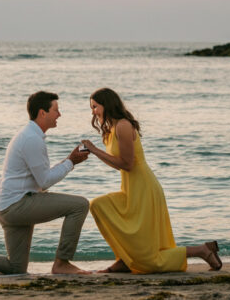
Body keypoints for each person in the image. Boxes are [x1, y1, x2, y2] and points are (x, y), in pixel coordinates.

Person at [0, 91, 91, 276]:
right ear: (42, 113)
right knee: (80, 205)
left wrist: (69, 160)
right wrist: (71, 162)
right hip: (17, 205)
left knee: (16, 268)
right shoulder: (31, 139)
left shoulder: (30, 135)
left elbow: (41, 175)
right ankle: (62, 263)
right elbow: (44, 182)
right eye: (56, 110)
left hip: (6, 206)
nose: (59, 115)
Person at [81, 87, 222, 274]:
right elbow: (119, 165)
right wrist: (93, 152)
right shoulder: (113, 128)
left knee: (149, 262)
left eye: (95, 107)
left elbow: (128, 164)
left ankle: (202, 250)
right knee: (98, 205)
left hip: (144, 189)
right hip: (131, 188)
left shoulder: (123, 125)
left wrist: (94, 149)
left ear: (106, 104)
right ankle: (124, 259)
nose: (93, 112)